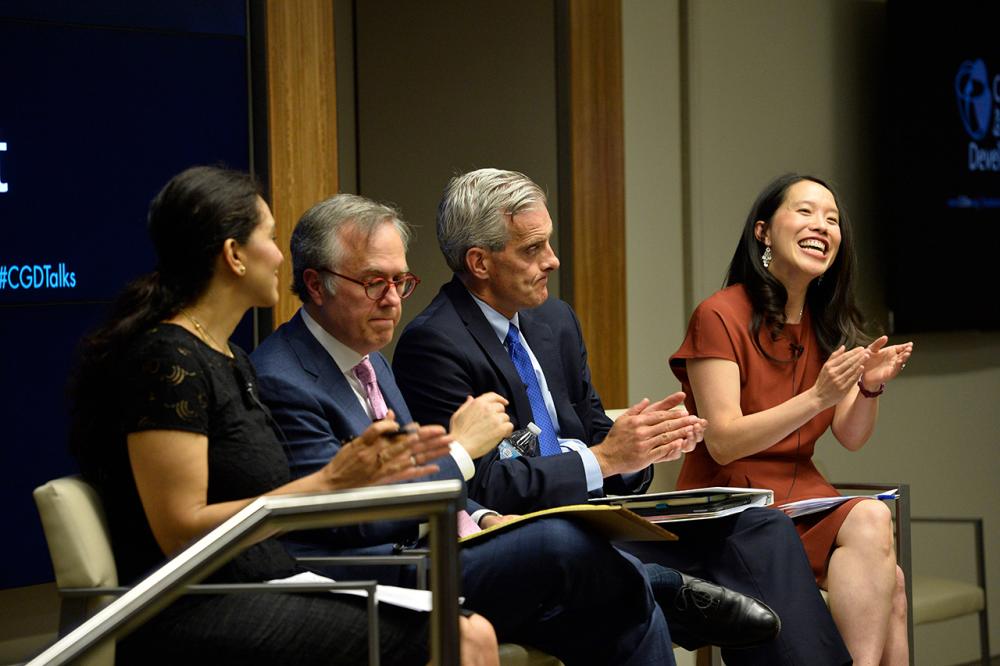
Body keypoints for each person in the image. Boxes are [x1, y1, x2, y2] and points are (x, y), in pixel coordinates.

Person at [393, 167, 851, 665]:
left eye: (549, 243)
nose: (553, 260)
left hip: (600, 523)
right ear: (479, 262)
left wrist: (642, 448)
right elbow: (477, 486)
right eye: (532, 249)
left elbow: (595, 434)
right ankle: (662, 590)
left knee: (760, 529)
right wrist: (604, 459)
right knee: (632, 584)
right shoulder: (434, 343)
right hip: (530, 541)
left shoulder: (554, 320)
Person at [67, 166, 498, 666]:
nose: (279, 256)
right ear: (233, 255)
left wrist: (355, 477)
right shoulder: (167, 360)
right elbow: (181, 535)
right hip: (190, 605)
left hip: (264, 580)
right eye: (269, 238)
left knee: (475, 632)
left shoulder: (228, 356)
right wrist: (329, 482)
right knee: (465, 639)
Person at [251, 193, 676, 665]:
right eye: (374, 283)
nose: (393, 301)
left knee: (624, 618)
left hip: (435, 547)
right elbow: (348, 518)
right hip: (368, 567)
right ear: (316, 284)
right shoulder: (280, 378)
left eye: (401, 281)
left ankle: (656, 588)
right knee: (564, 543)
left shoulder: (371, 361)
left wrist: (485, 519)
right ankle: (663, 584)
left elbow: (414, 474)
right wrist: (459, 451)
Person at [669, 173, 913, 666]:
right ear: (763, 232)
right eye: (804, 212)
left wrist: (869, 385)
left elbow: (850, 435)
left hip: (803, 500)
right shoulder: (719, 315)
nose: (821, 225)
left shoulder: (828, 324)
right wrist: (818, 395)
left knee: (873, 525)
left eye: (832, 219)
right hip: (735, 508)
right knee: (892, 581)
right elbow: (723, 443)